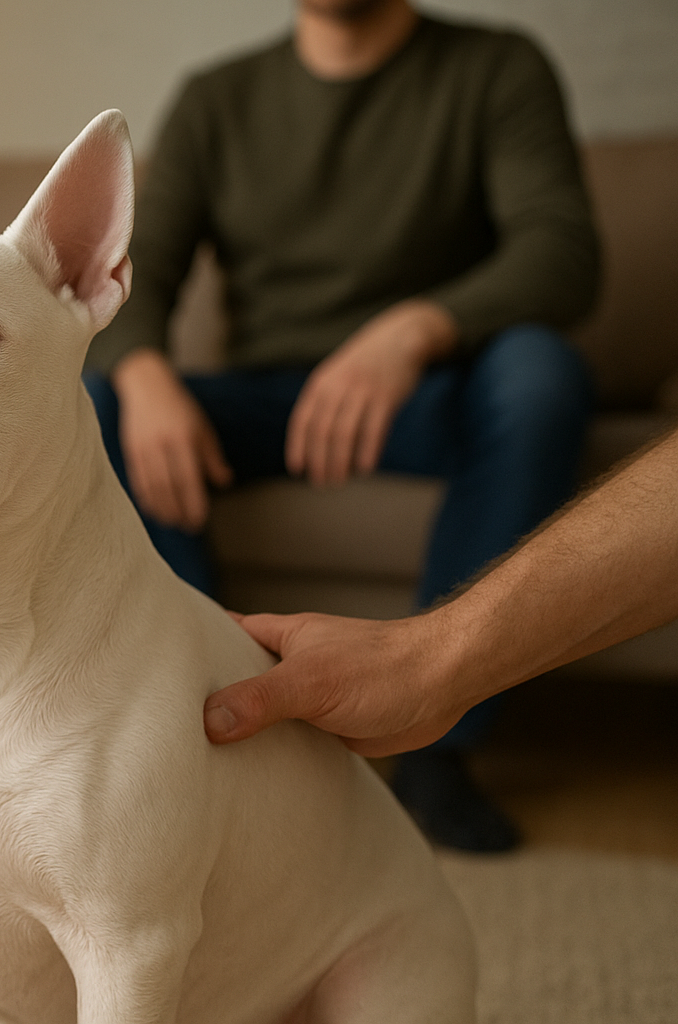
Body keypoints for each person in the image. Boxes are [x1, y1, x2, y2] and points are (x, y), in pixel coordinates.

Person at [84, 0, 601, 851]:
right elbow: (129, 276)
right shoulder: (217, 99)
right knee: (96, 401)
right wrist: (144, 379)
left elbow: (563, 253)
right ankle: (199, 707)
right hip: (259, 399)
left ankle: (440, 746)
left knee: (541, 373)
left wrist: (415, 328)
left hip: (428, 394)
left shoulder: (497, 68)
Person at [203, 427, 678, 756]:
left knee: (537, 370)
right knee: (127, 396)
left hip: (446, 373)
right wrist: (144, 370)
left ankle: (440, 756)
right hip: (255, 383)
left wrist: (420, 662)